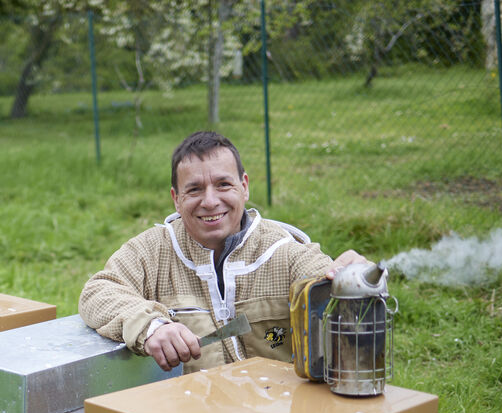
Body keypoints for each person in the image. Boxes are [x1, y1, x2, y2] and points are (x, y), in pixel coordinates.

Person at [79, 130, 371, 372]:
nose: (210, 201)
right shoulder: (152, 250)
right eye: (194, 190)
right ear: (176, 199)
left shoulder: (284, 251)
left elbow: (327, 284)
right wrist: (152, 327)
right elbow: (99, 291)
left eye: (223, 185)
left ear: (244, 187)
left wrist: (353, 279)